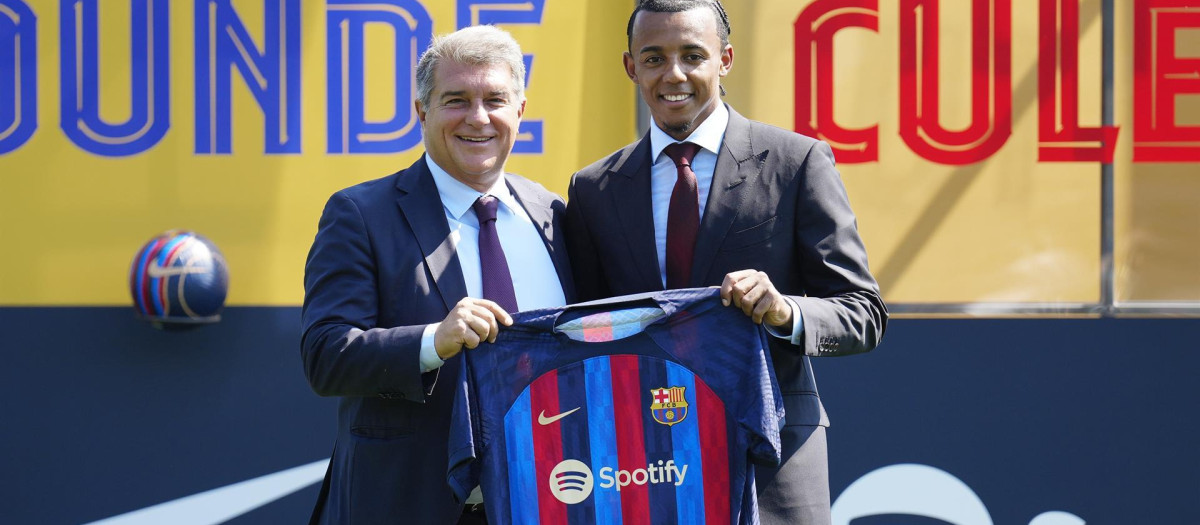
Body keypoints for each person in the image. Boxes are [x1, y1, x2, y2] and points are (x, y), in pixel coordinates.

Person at [564, 1, 887, 523]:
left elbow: (862, 313)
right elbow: (585, 328)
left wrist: (784, 311)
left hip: (773, 452)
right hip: (642, 459)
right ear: (630, 67)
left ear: (726, 59)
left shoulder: (796, 161)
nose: (674, 75)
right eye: (654, 58)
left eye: (693, 55)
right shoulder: (593, 189)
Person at [301, 25, 573, 525]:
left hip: (550, 501)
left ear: (520, 111)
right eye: (456, 100)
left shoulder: (556, 213)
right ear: (422, 112)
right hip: (411, 507)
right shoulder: (361, 214)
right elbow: (325, 355)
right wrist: (433, 341)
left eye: (495, 99)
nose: (478, 118)